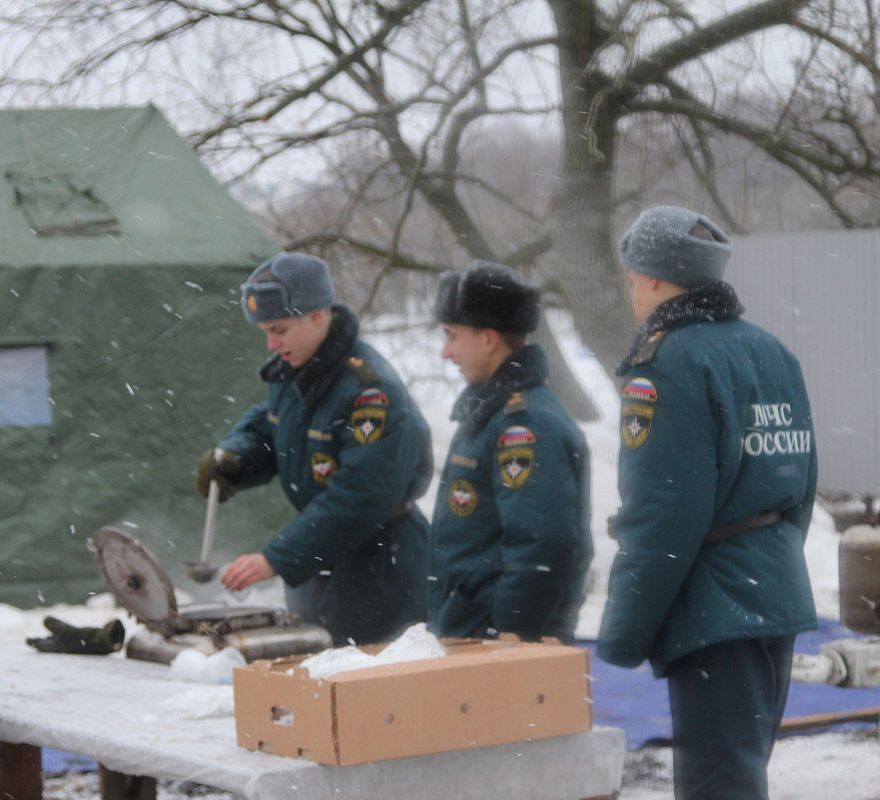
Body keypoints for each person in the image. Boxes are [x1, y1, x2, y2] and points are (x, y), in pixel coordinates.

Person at [597, 207, 818, 799]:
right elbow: (801, 484)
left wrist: (622, 634)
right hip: (773, 590)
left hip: (714, 606)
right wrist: (767, 560)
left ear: (654, 279)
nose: (632, 291)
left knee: (719, 785)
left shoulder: (667, 364)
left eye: (632, 278)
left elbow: (662, 514)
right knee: (743, 770)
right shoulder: (769, 350)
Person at [196, 252, 433, 646]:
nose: (271, 343)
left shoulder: (370, 392)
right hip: (320, 566)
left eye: (280, 329)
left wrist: (277, 558)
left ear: (318, 315)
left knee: (365, 678)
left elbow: (362, 494)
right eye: (265, 332)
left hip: (379, 572)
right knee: (312, 670)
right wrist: (236, 459)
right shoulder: (296, 372)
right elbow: (274, 424)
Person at [426, 262, 592, 643]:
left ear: (489, 339)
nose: (446, 352)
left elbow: (541, 546)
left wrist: (511, 633)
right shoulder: (491, 411)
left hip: (498, 639)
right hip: (472, 629)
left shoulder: (524, 425)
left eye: (452, 336)